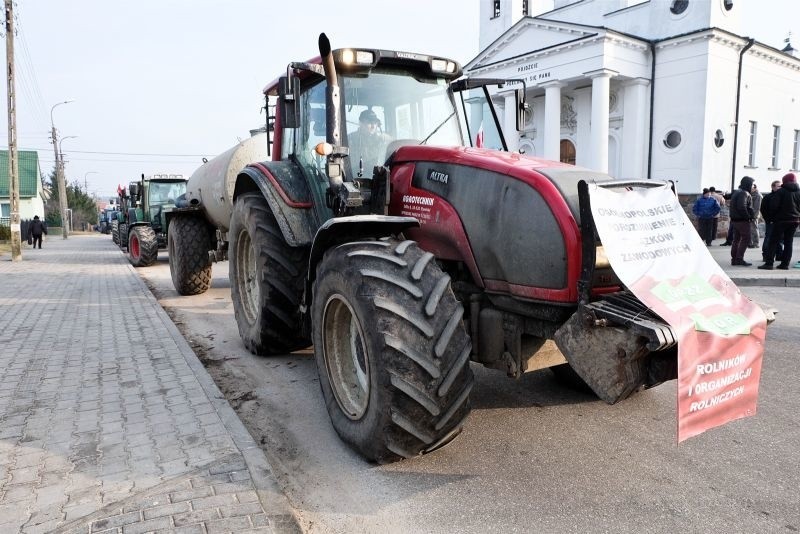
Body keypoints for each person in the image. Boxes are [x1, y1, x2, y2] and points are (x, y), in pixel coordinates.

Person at [759, 172, 800, 270]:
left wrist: (772, 218)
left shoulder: (781, 192)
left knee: (773, 241)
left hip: (781, 221)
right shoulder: (799, 192)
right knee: (789, 242)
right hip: (795, 221)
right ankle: (785, 264)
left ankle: (769, 263)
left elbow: (773, 206)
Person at [348, 109, 391, 178]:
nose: (373, 126)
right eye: (370, 123)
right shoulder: (351, 139)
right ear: (361, 123)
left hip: (377, 177)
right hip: (356, 177)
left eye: (375, 123)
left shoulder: (382, 140)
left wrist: (388, 140)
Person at [728, 176, 755, 266]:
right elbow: (742, 207)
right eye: (752, 185)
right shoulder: (744, 193)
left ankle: (734, 259)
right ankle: (739, 259)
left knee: (736, 240)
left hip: (735, 220)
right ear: (748, 184)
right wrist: (748, 217)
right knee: (746, 239)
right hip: (742, 220)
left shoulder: (737, 192)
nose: (752, 186)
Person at [760, 180, 783, 264]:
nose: (780, 188)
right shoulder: (768, 197)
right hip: (771, 222)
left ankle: (779, 255)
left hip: (780, 221)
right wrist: (768, 220)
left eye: (781, 186)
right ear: (773, 187)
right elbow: (763, 209)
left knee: (780, 239)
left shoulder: (782, 196)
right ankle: (765, 255)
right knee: (768, 238)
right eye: (778, 186)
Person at [748, 182, 763, 248]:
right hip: (750, 214)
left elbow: (757, 207)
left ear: (754, 188)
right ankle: (751, 243)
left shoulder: (757, 195)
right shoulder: (752, 194)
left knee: (754, 229)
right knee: (751, 229)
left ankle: (756, 243)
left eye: (751, 187)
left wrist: (754, 216)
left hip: (754, 215)